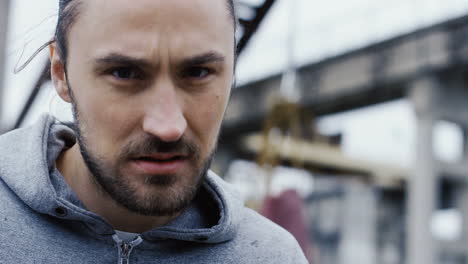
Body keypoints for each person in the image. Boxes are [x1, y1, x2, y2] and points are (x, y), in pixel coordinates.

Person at [0, 0, 308, 263]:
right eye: (124, 73)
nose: (168, 127)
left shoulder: (273, 256)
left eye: (198, 72)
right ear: (60, 73)